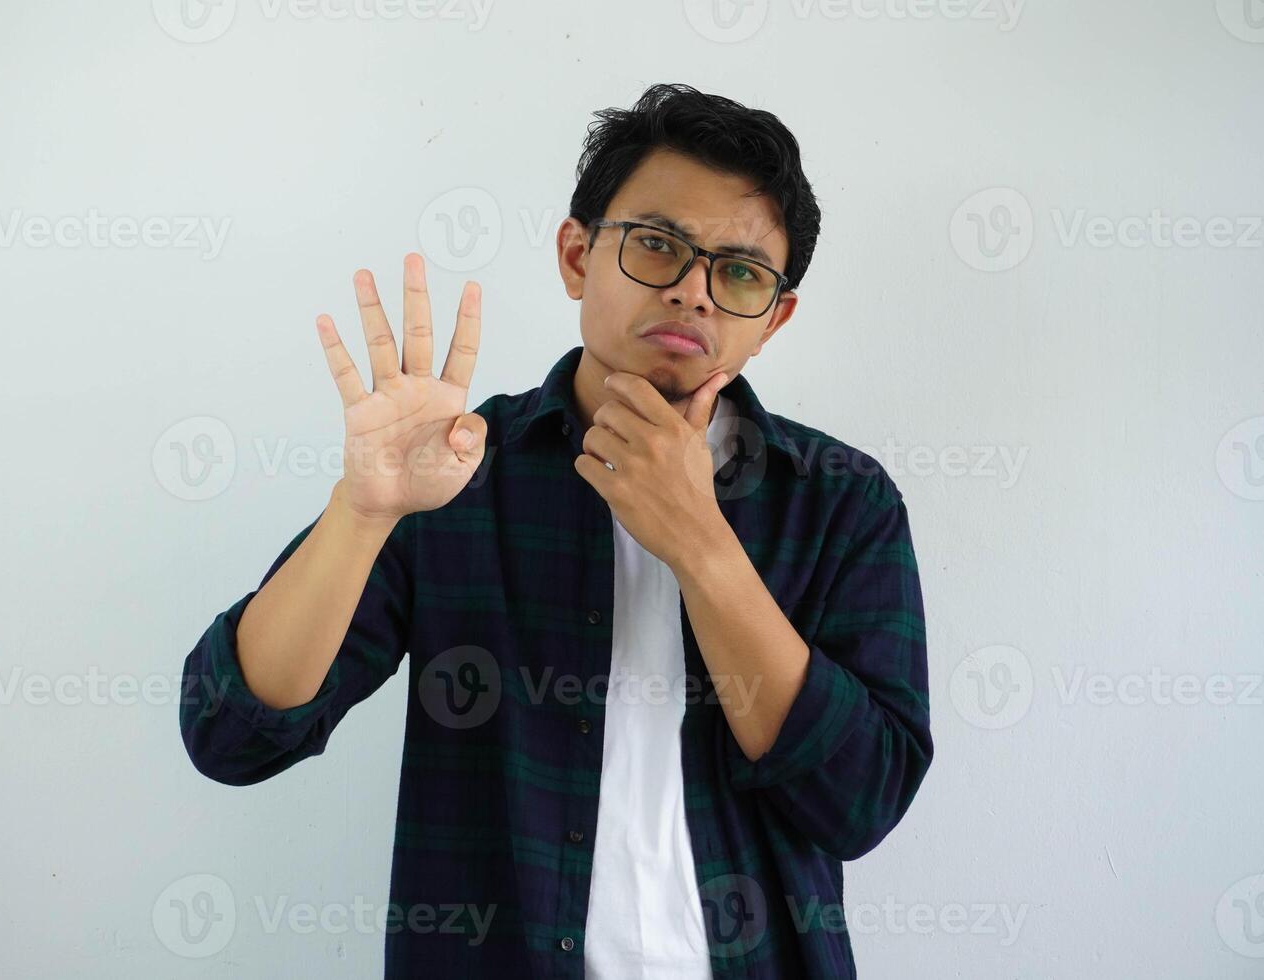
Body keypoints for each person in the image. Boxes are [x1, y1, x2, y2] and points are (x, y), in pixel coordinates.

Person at [179, 82, 932, 979]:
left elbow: (863, 801)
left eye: (738, 273)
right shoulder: (455, 471)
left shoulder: (842, 501)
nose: (694, 292)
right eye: (657, 245)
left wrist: (701, 544)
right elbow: (231, 735)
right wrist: (364, 510)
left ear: (774, 317)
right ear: (577, 256)